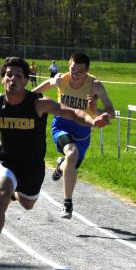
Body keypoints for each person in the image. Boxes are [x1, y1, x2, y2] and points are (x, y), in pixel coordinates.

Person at [0, 56, 109, 269]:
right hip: (7, 161)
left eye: (18, 76)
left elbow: (72, 113)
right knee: (2, 195)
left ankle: (17, 190)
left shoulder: (38, 104)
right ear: (2, 79)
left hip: (32, 167)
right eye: (9, 75)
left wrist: (92, 121)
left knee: (28, 204)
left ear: (26, 81)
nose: (13, 79)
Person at [32, 52, 115, 218]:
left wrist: (97, 112)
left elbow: (111, 111)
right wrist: (20, 100)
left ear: (87, 71)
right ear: (68, 67)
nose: (75, 75)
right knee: (71, 152)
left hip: (83, 131)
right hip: (61, 126)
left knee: (70, 163)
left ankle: (61, 165)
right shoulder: (61, 79)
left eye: (80, 72)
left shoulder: (95, 85)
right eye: (72, 70)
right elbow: (35, 92)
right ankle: (67, 203)